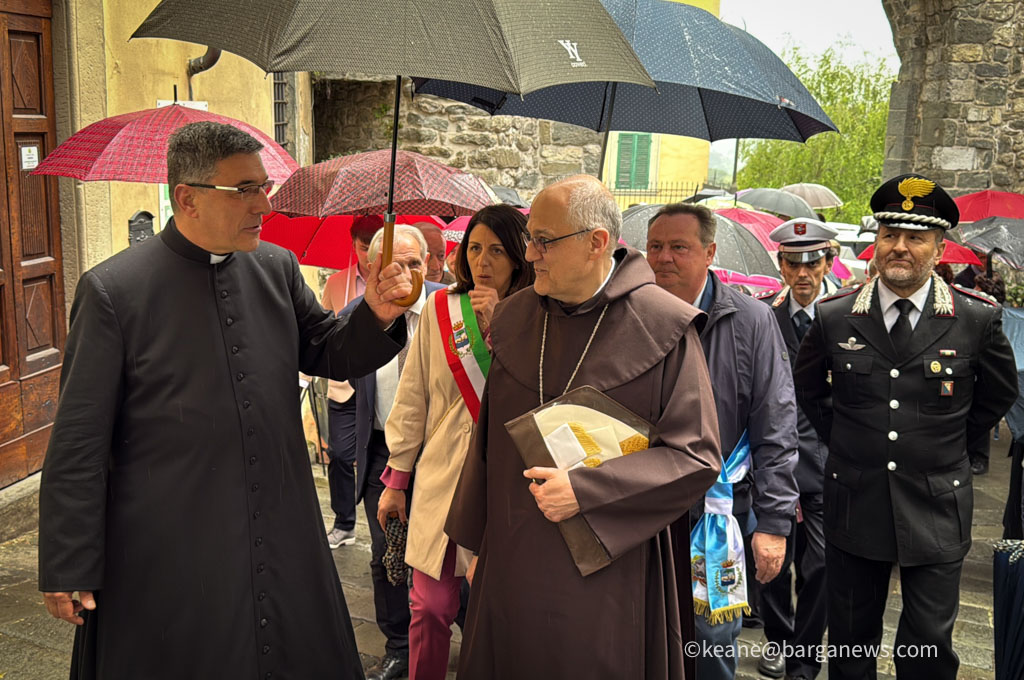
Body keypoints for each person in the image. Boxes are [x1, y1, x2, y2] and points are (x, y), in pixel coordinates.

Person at [37, 121, 413, 679]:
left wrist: (377, 314)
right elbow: (78, 442)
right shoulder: (113, 292)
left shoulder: (276, 267)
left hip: (281, 525)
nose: (264, 202)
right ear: (187, 198)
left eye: (263, 186)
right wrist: (68, 560)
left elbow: (326, 350)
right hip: (170, 542)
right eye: (245, 189)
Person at [446, 176, 722, 679]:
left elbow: (696, 456)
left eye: (543, 240)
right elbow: (487, 444)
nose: (530, 255)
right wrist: (475, 543)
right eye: (531, 238)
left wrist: (587, 490)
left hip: (608, 569)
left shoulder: (663, 324)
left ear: (597, 242)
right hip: (512, 555)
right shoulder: (514, 317)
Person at [794, 174, 1019, 680]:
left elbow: (998, 394)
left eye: (915, 237)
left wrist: (946, 444)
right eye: (889, 235)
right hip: (856, 499)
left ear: (938, 249)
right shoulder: (835, 317)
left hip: (936, 502)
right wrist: (849, 441)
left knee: (928, 647)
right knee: (851, 643)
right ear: (875, 244)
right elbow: (808, 390)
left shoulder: (973, 319)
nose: (899, 247)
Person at [377, 205, 534, 680]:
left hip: (505, 483)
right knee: (429, 604)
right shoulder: (443, 309)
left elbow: (537, 397)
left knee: (496, 609)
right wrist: (396, 477)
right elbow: (414, 396)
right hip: (441, 476)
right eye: (475, 248)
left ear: (519, 257)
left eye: (498, 250)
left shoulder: (537, 315)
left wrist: (503, 326)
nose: (484, 260)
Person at [645, 203, 798, 680]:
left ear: (709, 252)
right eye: (655, 246)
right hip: (643, 508)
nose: (663, 258)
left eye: (679, 247)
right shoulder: (632, 313)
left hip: (715, 512)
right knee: (646, 636)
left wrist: (773, 523)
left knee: (711, 643)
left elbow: (776, 424)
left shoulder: (751, 320)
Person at [341, 224, 446, 680]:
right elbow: (345, 391)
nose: (404, 275)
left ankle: (468, 628)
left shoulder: (453, 309)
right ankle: (399, 646)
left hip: (443, 454)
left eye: (414, 264)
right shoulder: (356, 316)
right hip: (382, 456)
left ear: (430, 264)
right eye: (391, 265)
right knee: (387, 557)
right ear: (370, 269)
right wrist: (348, 452)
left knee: (448, 556)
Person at [755, 218, 838, 680]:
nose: (803, 273)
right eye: (792, 263)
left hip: (827, 461)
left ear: (827, 262)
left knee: (821, 564)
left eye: (812, 262)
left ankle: (805, 655)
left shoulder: (845, 316)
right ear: (781, 265)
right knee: (771, 561)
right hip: (776, 463)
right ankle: (778, 640)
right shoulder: (764, 315)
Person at [321, 214, 385, 548]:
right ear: (354, 245)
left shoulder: (394, 282)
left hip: (382, 388)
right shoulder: (335, 285)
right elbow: (321, 335)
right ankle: (345, 521)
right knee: (341, 455)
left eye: (375, 246)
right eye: (363, 247)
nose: (369, 255)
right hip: (345, 388)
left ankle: (385, 528)